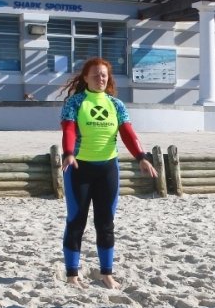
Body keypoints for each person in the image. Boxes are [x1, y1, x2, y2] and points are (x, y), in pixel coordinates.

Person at [59, 57, 157, 289]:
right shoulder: (75, 102)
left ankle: (106, 274)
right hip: (79, 168)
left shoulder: (116, 104)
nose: (100, 78)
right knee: (76, 221)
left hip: (107, 169)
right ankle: (72, 275)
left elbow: (128, 133)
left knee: (105, 222)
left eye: (104, 75)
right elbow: (69, 129)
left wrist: (141, 157)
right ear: (85, 78)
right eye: (95, 75)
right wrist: (69, 153)